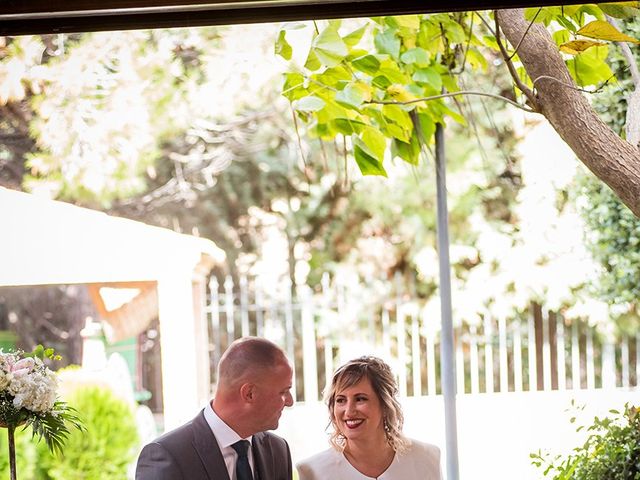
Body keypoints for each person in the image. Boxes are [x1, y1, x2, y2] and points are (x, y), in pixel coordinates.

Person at [136, 336, 294, 480]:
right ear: (249, 393)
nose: (290, 401)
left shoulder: (278, 450)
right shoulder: (167, 455)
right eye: (283, 392)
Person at [296, 356, 441, 480]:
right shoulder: (312, 471)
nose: (349, 411)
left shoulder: (427, 457)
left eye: (360, 399)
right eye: (340, 400)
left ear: (385, 404)